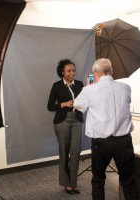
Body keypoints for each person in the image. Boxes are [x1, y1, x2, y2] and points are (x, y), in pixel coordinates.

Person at [73, 58, 137, 200]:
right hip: (124, 142)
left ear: (95, 73)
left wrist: (89, 87)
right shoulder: (126, 88)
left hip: (101, 143)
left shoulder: (89, 90)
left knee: (98, 181)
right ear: (111, 71)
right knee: (128, 182)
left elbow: (77, 105)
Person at [47, 59, 84, 195]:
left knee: (75, 151)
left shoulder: (80, 84)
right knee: (64, 152)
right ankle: (66, 184)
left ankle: (73, 183)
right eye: (69, 71)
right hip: (62, 121)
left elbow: (86, 101)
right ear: (62, 72)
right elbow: (50, 106)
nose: (72, 73)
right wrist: (64, 104)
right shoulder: (57, 86)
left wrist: (90, 88)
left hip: (76, 120)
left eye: (73, 70)